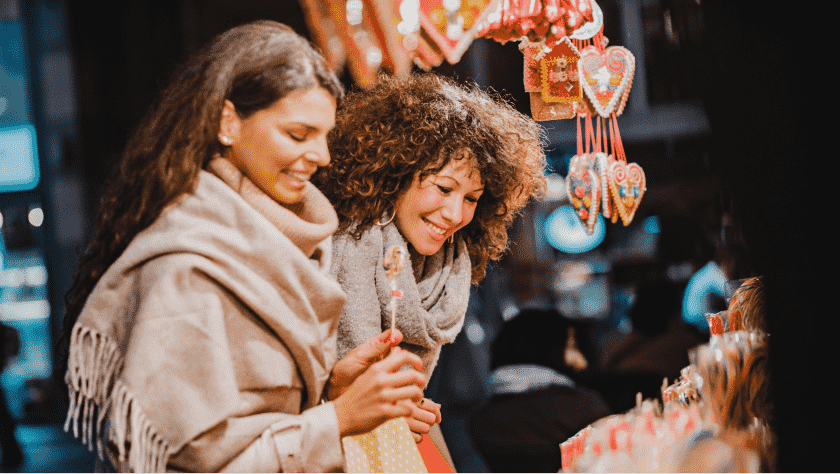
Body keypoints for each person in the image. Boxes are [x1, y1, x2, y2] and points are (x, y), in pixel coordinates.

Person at [58, 20, 426, 473]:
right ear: (228, 122)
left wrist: (333, 388)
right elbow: (193, 462)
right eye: (298, 134)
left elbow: (257, 420)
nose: (322, 155)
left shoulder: (273, 246)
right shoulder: (187, 268)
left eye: (325, 136)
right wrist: (337, 420)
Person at [313, 73, 548, 445]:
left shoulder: (448, 267)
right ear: (396, 172)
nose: (455, 213)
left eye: (471, 198)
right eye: (443, 187)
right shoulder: (337, 248)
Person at [467, 308, 611, 473]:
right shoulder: (585, 407)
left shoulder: (479, 421)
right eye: (571, 346)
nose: (581, 361)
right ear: (546, 348)